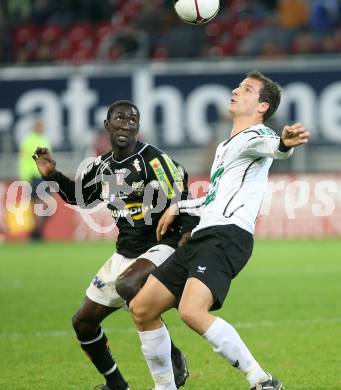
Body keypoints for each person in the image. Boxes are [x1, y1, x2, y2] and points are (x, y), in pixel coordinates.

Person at [129, 71, 310, 390]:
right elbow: (214, 199)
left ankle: (262, 380)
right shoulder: (226, 146)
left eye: (247, 89)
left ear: (262, 106)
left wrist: (285, 143)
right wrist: (179, 207)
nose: (236, 90)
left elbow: (275, 147)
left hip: (227, 236)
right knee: (142, 308)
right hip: (204, 234)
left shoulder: (257, 135)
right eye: (239, 86)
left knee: (191, 311)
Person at [33, 100, 198, 390]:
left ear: (138, 127)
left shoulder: (153, 160)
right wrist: (53, 176)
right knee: (83, 323)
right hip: (125, 253)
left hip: (162, 247)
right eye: (119, 119)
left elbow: (181, 189)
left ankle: (172, 356)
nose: (126, 124)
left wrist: (185, 234)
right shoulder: (102, 166)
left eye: (133, 120)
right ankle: (116, 384)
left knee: (129, 285)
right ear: (108, 125)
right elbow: (79, 197)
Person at [18, 119, 51, 240]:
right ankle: (37, 232)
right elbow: (24, 160)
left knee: (40, 205)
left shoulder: (43, 139)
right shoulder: (28, 141)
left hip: (42, 177)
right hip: (35, 176)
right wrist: (25, 177)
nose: (43, 128)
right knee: (38, 205)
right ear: (36, 127)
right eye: (41, 126)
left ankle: (36, 231)